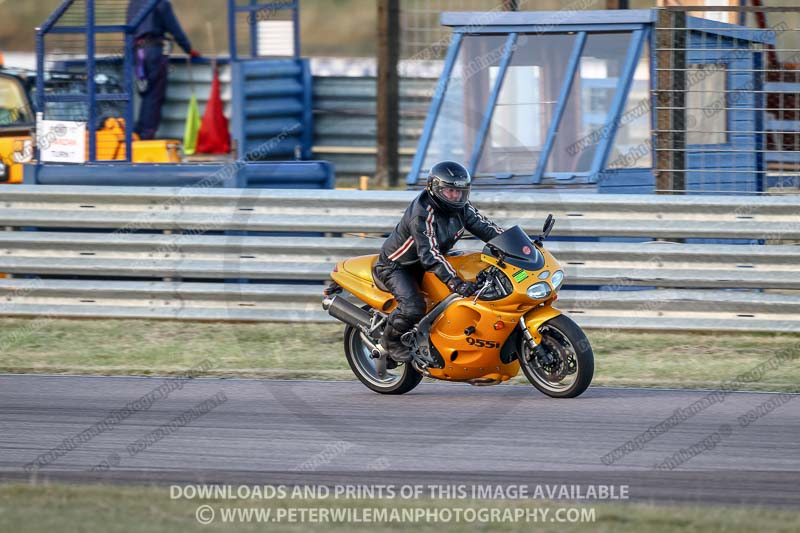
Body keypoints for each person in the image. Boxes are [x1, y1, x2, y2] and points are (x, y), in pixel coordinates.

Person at [373, 160, 504, 363]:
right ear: (434, 189)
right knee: (414, 307)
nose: (454, 196)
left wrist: (520, 246)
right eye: (448, 191)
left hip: (427, 264)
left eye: (459, 191)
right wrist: (455, 282)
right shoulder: (423, 214)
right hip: (397, 266)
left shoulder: (462, 207)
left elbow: (486, 228)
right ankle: (390, 342)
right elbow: (430, 255)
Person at [126, 0, 200, 139]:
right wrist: (188, 49)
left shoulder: (133, 3)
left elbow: (128, 31)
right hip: (154, 52)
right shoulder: (161, 3)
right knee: (154, 95)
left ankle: (139, 130)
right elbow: (174, 28)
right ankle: (146, 134)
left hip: (138, 53)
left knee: (145, 92)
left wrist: (130, 55)